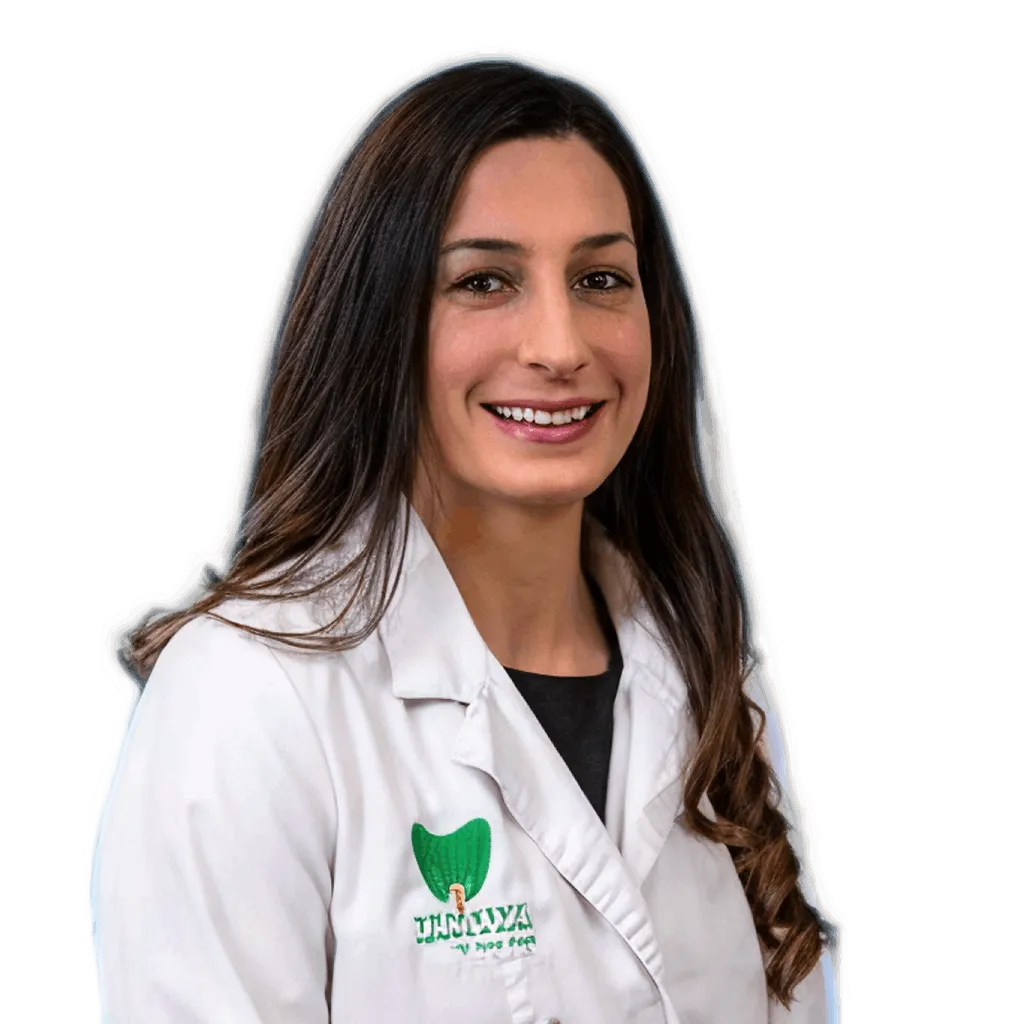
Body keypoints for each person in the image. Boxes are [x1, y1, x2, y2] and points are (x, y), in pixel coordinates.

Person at [86, 48, 846, 1023]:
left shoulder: (702, 667)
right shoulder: (253, 694)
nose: (560, 346)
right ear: (378, 323)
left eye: (601, 277)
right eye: (485, 281)